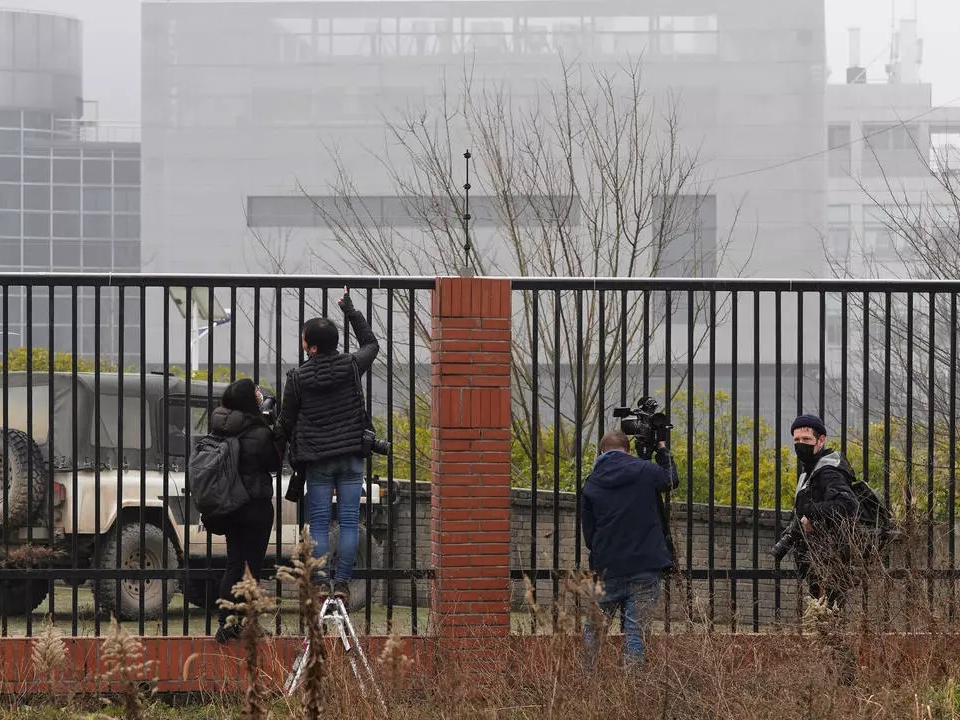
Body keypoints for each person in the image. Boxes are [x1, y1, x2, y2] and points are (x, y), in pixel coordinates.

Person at [277, 289, 379, 603]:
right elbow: (371, 345)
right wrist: (350, 309)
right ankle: (343, 584)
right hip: (350, 455)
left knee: (319, 522)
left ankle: (321, 583)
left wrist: (274, 447)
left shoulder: (297, 378)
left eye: (304, 339)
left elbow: (286, 422)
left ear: (311, 346)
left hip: (318, 459)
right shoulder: (351, 366)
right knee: (349, 520)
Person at [581, 430, 676, 668]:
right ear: (628, 450)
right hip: (645, 564)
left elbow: (589, 533)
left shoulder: (592, 481)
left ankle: (585, 678)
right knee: (636, 632)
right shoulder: (645, 470)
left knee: (594, 629)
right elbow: (671, 480)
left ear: (601, 452)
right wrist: (662, 449)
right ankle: (634, 688)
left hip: (608, 567)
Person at [211, 378, 280, 644]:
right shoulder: (258, 431)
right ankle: (248, 623)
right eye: (256, 392)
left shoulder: (221, 427)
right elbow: (273, 463)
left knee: (234, 564)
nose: (260, 394)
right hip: (255, 506)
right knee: (251, 569)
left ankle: (226, 623)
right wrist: (274, 429)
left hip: (230, 505)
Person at [777, 413, 859, 610]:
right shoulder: (810, 471)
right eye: (796, 440)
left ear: (821, 440)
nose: (800, 444)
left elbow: (847, 505)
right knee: (821, 617)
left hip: (829, 557)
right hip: (817, 557)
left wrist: (810, 513)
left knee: (827, 617)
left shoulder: (829, 470)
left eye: (806, 439)